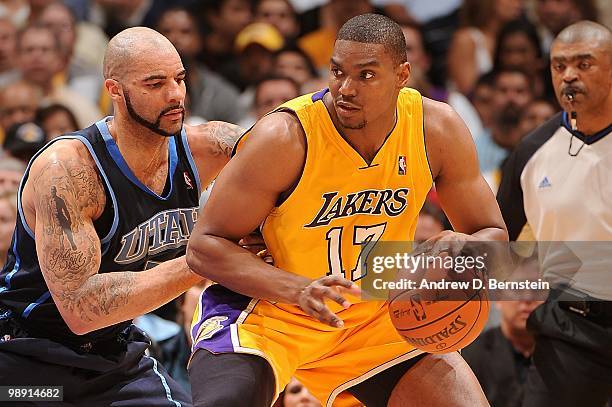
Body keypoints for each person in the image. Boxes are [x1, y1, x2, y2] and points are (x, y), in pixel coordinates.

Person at [186, 13, 507, 407]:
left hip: (374, 316)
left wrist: (462, 249)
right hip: (272, 310)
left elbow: (492, 235)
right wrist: (297, 289)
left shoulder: (435, 128)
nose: (346, 88)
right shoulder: (285, 137)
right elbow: (204, 246)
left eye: (366, 75)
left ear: (402, 74)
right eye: (337, 72)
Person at [0, 26, 246, 405]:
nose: (176, 94)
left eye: (179, 79)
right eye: (155, 84)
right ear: (115, 90)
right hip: (25, 359)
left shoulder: (206, 147)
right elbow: (81, 309)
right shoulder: (67, 169)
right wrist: (209, 259)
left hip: (115, 356)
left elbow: (291, 147)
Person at [496, 21, 612, 406]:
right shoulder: (532, 150)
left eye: (584, 64)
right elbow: (494, 237)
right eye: (559, 66)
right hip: (571, 325)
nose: (569, 76)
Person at [462, 260, 544, 407]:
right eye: (517, 289)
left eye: (537, 289)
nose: (527, 298)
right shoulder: (471, 356)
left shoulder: (565, 354)